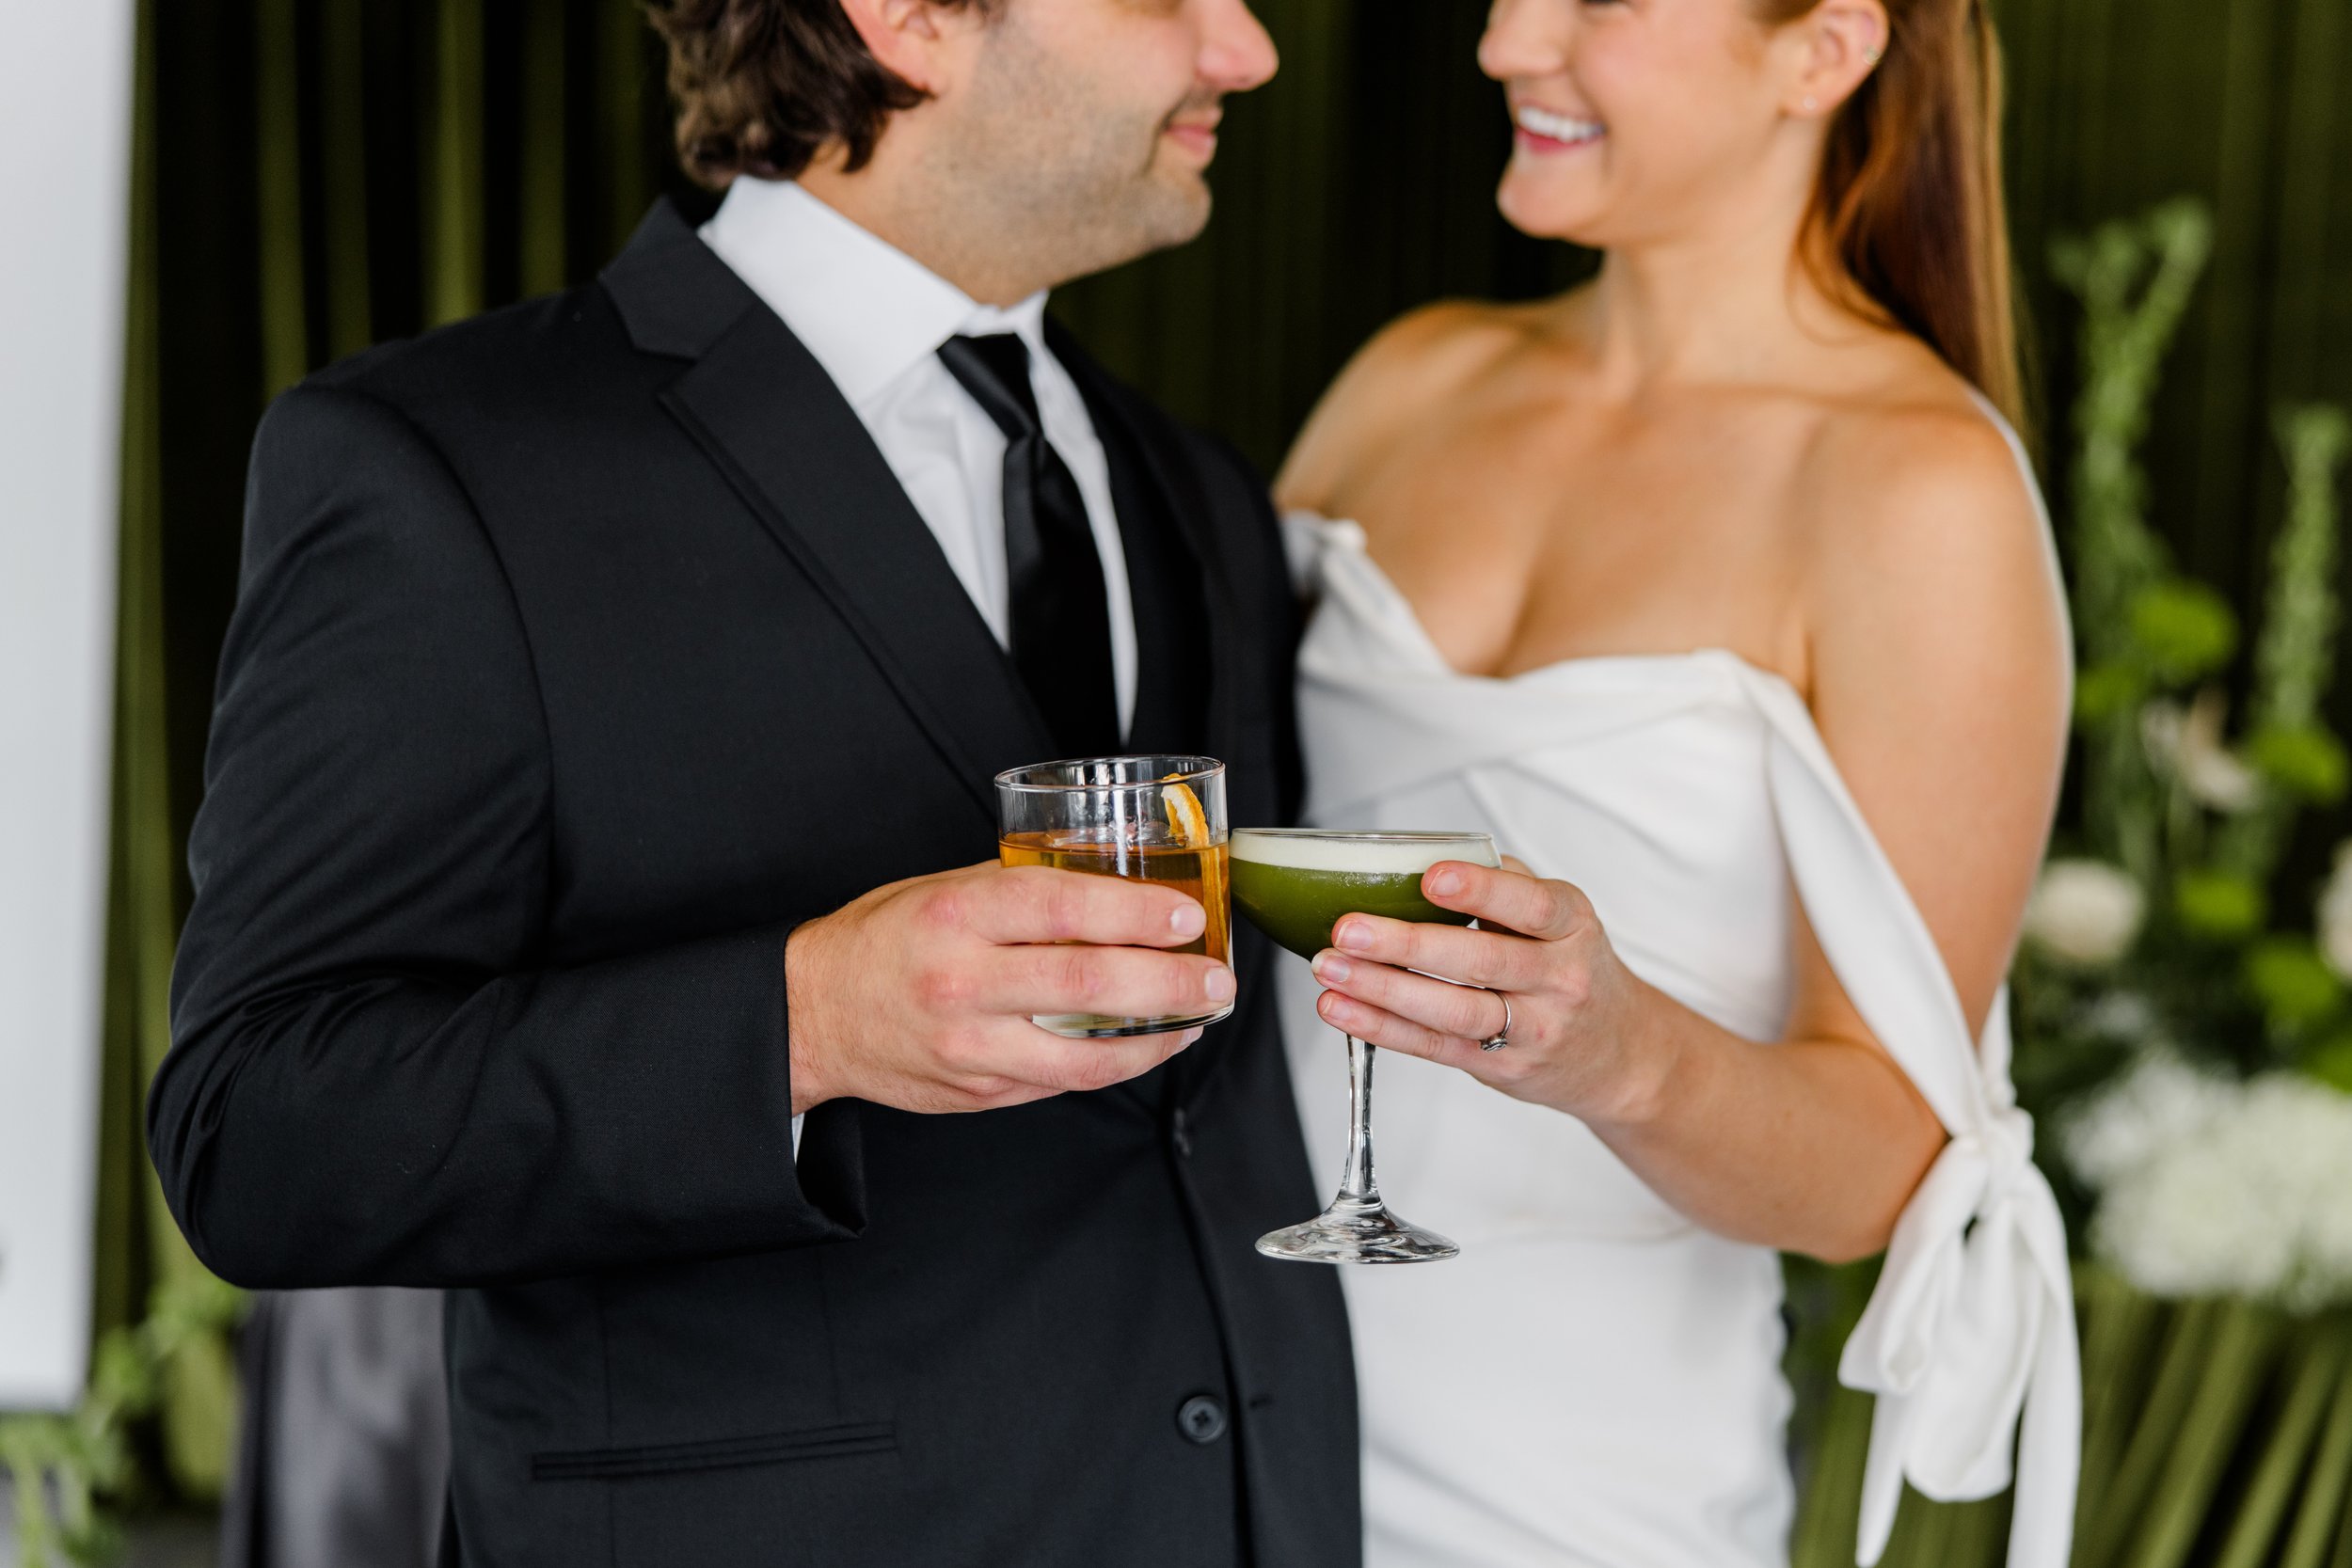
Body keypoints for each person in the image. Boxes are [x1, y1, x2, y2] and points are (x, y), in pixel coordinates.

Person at [148, 1, 1361, 1563]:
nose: (1247, 49)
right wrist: (808, 1022)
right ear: (910, 19)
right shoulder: (445, 464)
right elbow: (256, 1137)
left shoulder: (1191, 490)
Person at [1270, 0, 2078, 1563]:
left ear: (1825, 50)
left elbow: (1884, 1163)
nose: (1508, 45)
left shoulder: (1919, 486)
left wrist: (1617, 1052)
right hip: (1206, 1409)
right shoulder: (1412, 380)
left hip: (1572, 1486)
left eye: (1598, 4)